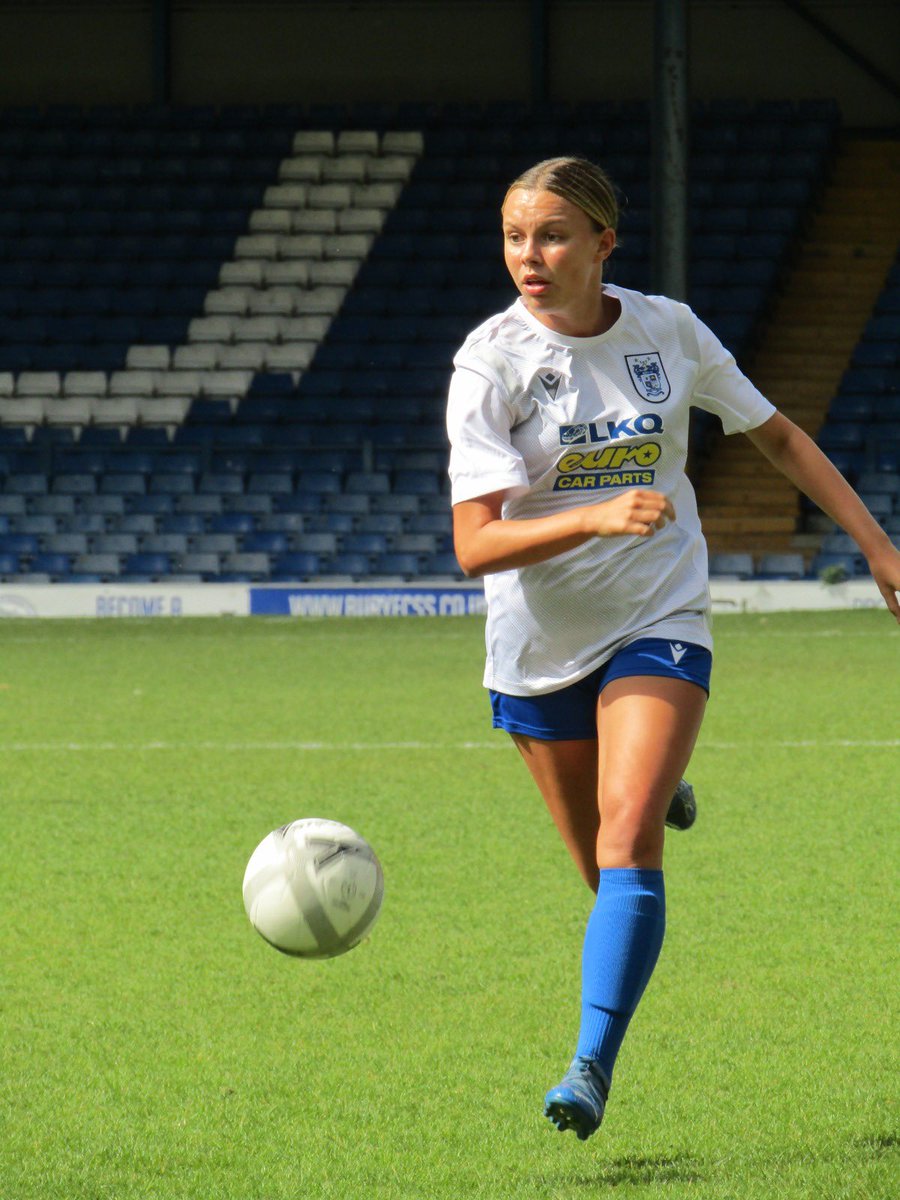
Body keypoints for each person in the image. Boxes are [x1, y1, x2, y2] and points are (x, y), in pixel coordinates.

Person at [445, 156, 900, 1141]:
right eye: (517, 235)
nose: (531, 255)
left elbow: (778, 438)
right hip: (536, 650)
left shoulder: (668, 331)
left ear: (605, 244)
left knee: (628, 837)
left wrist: (877, 546)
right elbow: (475, 545)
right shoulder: (491, 363)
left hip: (659, 616)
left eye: (554, 235)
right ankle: (654, 781)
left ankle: (588, 1066)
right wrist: (595, 516)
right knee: (602, 873)